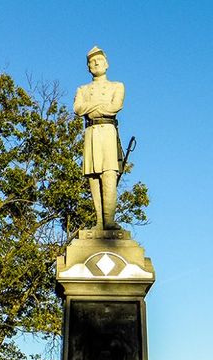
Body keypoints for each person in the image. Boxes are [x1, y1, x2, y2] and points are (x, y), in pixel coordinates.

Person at [74, 46, 124, 230]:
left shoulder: (117, 86)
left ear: (106, 64)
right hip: (91, 132)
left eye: (98, 61)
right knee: (93, 176)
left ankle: (109, 220)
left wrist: (92, 107)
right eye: (91, 62)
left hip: (108, 130)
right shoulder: (82, 89)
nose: (95, 64)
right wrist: (100, 104)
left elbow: (115, 106)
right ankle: (99, 222)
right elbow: (78, 109)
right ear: (88, 67)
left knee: (109, 173)